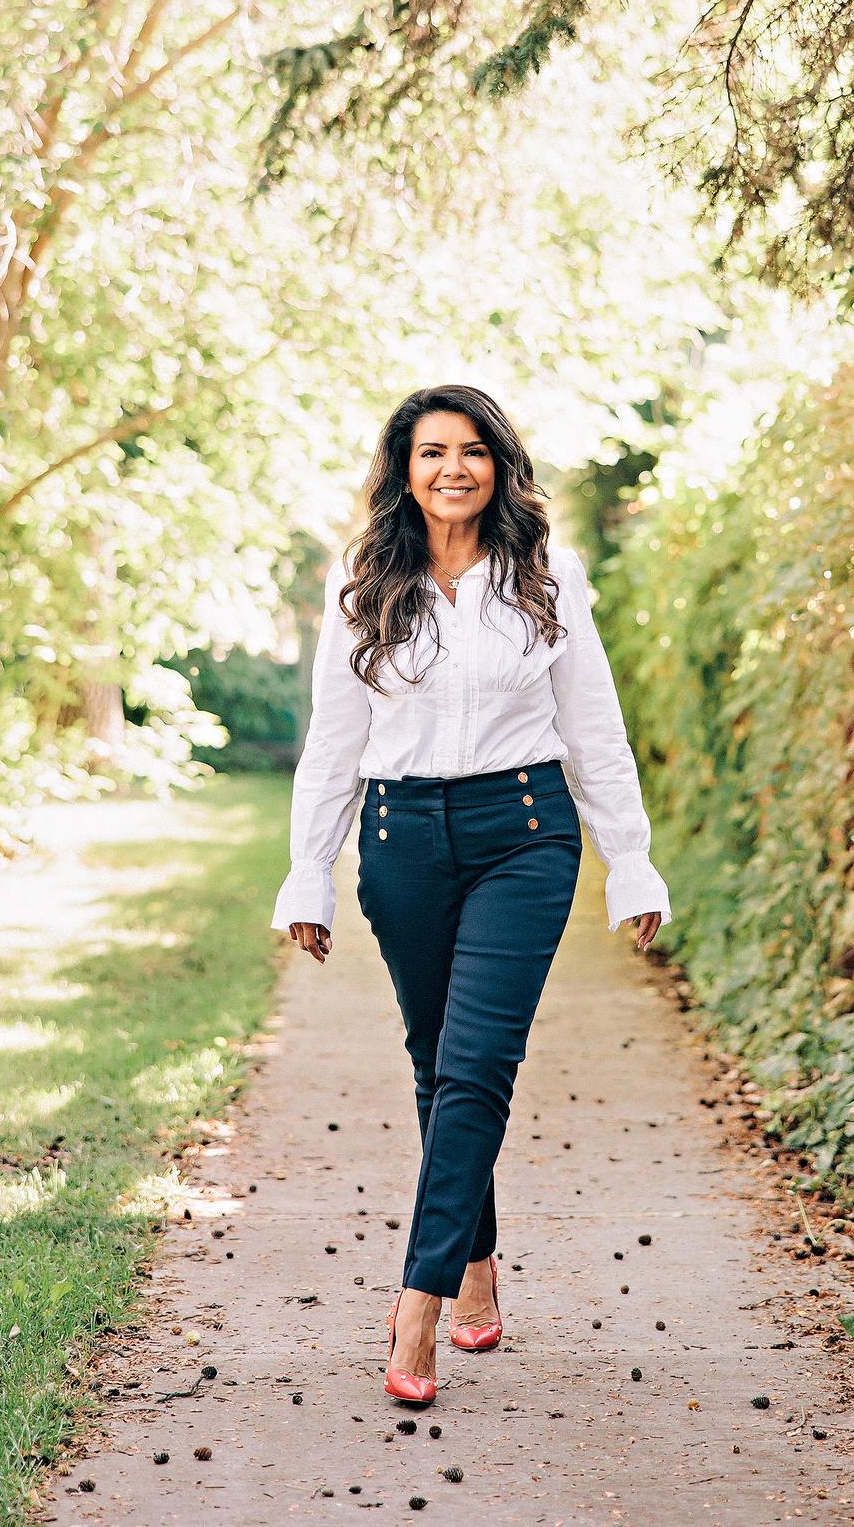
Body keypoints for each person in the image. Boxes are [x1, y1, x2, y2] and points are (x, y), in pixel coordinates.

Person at [269, 384, 672, 1408]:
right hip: (401, 842)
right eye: (431, 451)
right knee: (437, 1062)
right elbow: (334, 738)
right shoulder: (362, 580)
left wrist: (630, 859)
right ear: (402, 469)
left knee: (477, 1061)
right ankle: (479, 1260)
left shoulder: (546, 574)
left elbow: (594, 729)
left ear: (499, 464)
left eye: (472, 451)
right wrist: (306, 869)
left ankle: (419, 1298)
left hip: (524, 835)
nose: (453, 468)